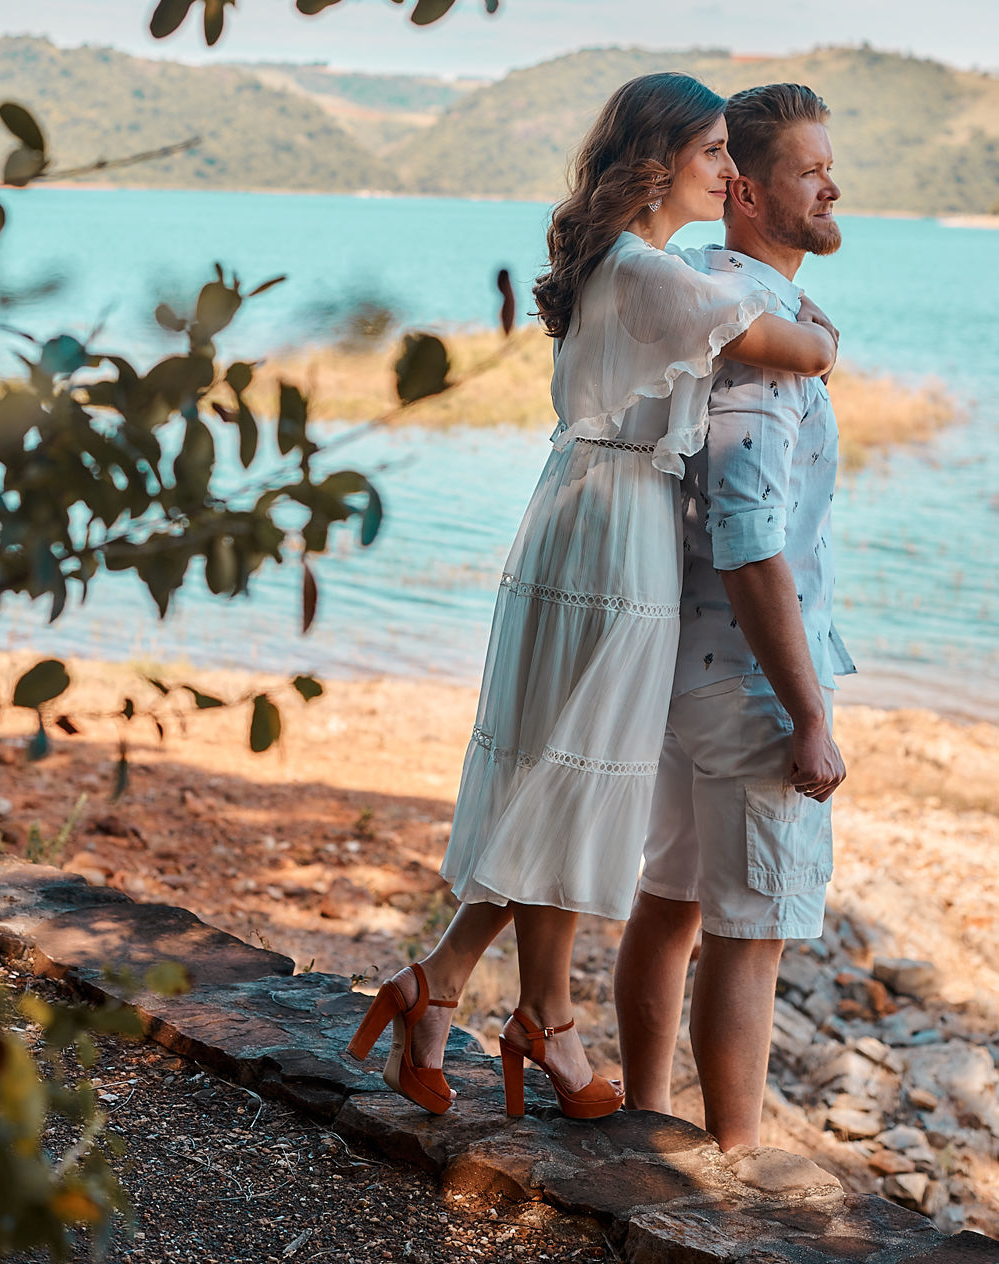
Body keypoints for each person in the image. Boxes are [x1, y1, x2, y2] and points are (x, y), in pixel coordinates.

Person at [348, 73, 839, 1121]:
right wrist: (823, 334)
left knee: (560, 768)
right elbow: (799, 343)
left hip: (584, 514)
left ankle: (447, 989)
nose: (728, 170)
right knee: (578, 775)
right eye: (715, 153)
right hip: (616, 538)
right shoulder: (651, 275)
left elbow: (748, 315)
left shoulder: (628, 266)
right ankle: (540, 1022)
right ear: (661, 163)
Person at [613, 81, 853, 1151]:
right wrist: (808, 711)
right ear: (747, 192)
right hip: (745, 680)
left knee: (668, 905)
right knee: (749, 936)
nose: (834, 184)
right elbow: (751, 534)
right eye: (811, 170)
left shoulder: (709, 293)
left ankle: (641, 1130)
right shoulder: (753, 328)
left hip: (677, 662)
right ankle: (730, 1177)